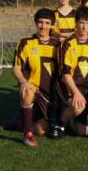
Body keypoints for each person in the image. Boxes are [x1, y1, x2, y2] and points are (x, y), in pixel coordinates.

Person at [13, 8, 60, 147]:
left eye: (47, 23)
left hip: (50, 94)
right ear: (35, 23)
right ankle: (27, 135)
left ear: (52, 25)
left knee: (41, 130)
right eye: (40, 22)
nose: (43, 26)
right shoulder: (25, 43)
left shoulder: (58, 45)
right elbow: (16, 67)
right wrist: (23, 82)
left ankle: (21, 120)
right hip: (32, 88)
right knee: (27, 91)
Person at [52, 6, 88, 138]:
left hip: (85, 89)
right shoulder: (67, 44)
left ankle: (71, 115)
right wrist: (76, 93)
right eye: (81, 22)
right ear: (76, 23)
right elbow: (65, 73)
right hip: (67, 86)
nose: (84, 27)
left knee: (82, 131)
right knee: (78, 106)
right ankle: (60, 124)